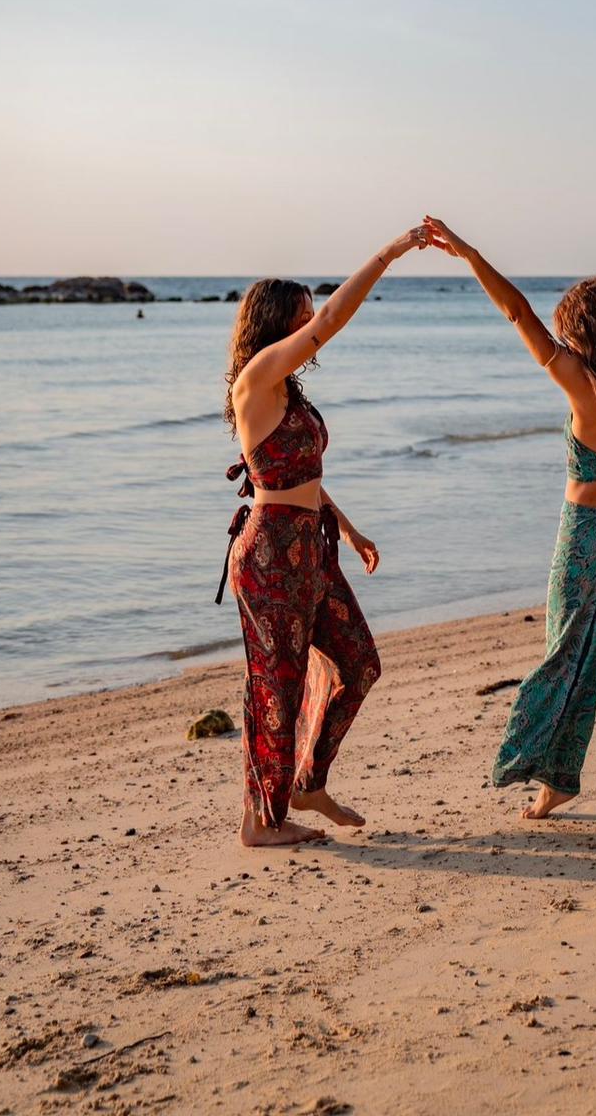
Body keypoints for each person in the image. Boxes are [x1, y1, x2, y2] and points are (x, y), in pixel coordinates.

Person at [424, 217, 596, 830]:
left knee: (568, 660)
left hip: (586, 543)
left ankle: (553, 785)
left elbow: (517, 312)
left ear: (585, 335)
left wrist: (468, 252)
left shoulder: (579, 383)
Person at [221, 227, 429, 848]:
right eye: (302, 312)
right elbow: (335, 319)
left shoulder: (288, 391)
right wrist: (390, 254)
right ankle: (261, 821)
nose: (312, 319)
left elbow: (297, 475)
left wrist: (350, 527)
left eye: (311, 308)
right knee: (276, 685)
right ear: (275, 321)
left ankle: (308, 784)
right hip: (268, 558)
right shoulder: (257, 377)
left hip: (310, 547)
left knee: (359, 663)